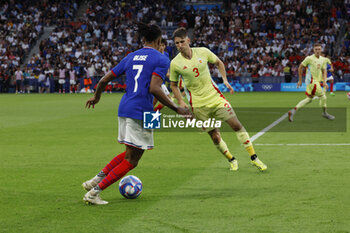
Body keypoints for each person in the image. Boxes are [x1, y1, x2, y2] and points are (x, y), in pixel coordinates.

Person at [82, 23, 190, 205]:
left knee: (131, 152)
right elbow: (155, 88)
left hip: (127, 108)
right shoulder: (162, 59)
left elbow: (104, 80)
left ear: (143, 40)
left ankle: (96, 180)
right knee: (132, 160)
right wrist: (178, 108)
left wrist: (96, 97)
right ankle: (94, 192)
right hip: (142, 110)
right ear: (158, 41)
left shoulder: (131, 56)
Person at [169, 27, 267, 172]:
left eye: (182, 42)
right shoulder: (175, 63)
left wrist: (225, 80)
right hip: (198, 105)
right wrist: (180, 101)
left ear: (188, 40)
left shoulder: (203, 51)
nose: (179, 45)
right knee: (215, 137)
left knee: (236, 125)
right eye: (176, 43)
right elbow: (173, 85)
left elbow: (219, 63)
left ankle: (254, 158)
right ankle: (232, 160)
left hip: (216, 98)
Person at [288, 43, 335, 122]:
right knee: (323, 97)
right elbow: (300, 67)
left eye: (319, 49)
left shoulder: (323, 59)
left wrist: (324, 82)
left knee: (309, 99)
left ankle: (293, 111)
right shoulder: (309, 58)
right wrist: (300, 80)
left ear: (321, 50)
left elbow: (324, 71)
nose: (317, 51)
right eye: (316, 49)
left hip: (314, 82)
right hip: (312, 82)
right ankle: (324, 113)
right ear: (313, 50)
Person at [153, 38, 171, 111]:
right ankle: (152, 113)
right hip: (156, 81)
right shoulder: (155, 55)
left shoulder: (166, 55)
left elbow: (167, 67)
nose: (161, 47)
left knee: (155, 101)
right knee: (168, 99)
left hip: (161, 81)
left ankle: (152, 112)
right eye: (160, 45)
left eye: (163, 45)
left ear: (165, 46)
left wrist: (168, 73)